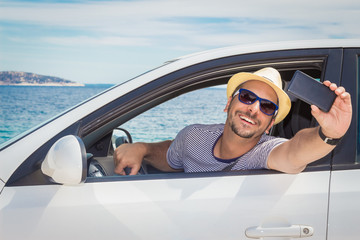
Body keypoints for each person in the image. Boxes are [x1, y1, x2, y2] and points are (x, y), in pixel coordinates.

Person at [113, 67, 352, 175]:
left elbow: (294, 152)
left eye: (267, 106)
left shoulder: (265, 151)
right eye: (247, 97)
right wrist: (141, 148)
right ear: (229, 103)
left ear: (270, 124)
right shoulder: (193, 136)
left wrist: (329, 134)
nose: (254, 109)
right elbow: (171, 156)